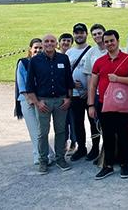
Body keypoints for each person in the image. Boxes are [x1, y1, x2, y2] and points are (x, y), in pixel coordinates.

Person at [87, 30, 128, 180]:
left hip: (122, 104)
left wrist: (118, 79)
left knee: (124, 134)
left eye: (112, 40)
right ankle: (108, 165)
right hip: (104, 104)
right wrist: (91, 105)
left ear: (117, 40)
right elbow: (92, 85)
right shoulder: (99, 62)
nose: (109, 44)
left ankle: (124, 164)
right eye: (107, 41)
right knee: (108, 135)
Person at [25, 34, 75, 174]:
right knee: (43, 133)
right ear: (42, 43)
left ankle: (60, 158)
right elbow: (29, 85)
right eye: (46, 41)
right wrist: (37, 102)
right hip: (43, 101)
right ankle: (43, 161)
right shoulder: (35, 61)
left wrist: (68, 98)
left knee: (61, 131)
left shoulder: (63, 58)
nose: (49, 44)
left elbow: (68, 81)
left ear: (56, 43)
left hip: (61, 101)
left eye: (52, 41)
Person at [15, 38, 55, 165]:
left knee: (41, 130)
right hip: (27, 100)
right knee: (34, 130)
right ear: (30, 50)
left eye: (40, 48)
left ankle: (47, 154)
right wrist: (30, 99)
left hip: (41, 100)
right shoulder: (23, 63)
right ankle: (40, 155)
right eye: (35, 48)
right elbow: (21, 84)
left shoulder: (43, 63)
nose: (38, 50)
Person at [66, 23, 93, 162]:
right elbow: (65, 74)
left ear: (86, 34)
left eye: (82, 32)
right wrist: (71, 84)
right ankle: (81, 148)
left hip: (89, 94)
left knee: (93, 122)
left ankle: (95, 148)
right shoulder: (69, 52)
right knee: (77, 122)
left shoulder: (91, 50)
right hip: (75, 94)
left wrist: (89, 90)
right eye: (76, 33)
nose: (79, 35)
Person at [81, 23, 107, 161]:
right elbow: (89, 77)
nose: (97, 36)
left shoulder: (112, 48)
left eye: (99, 33)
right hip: (97, 94)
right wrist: (90, 99)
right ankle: (95, 147)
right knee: (94, 123)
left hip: (113, 95)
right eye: (95, 34)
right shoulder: (91, 53)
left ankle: (109, 152)